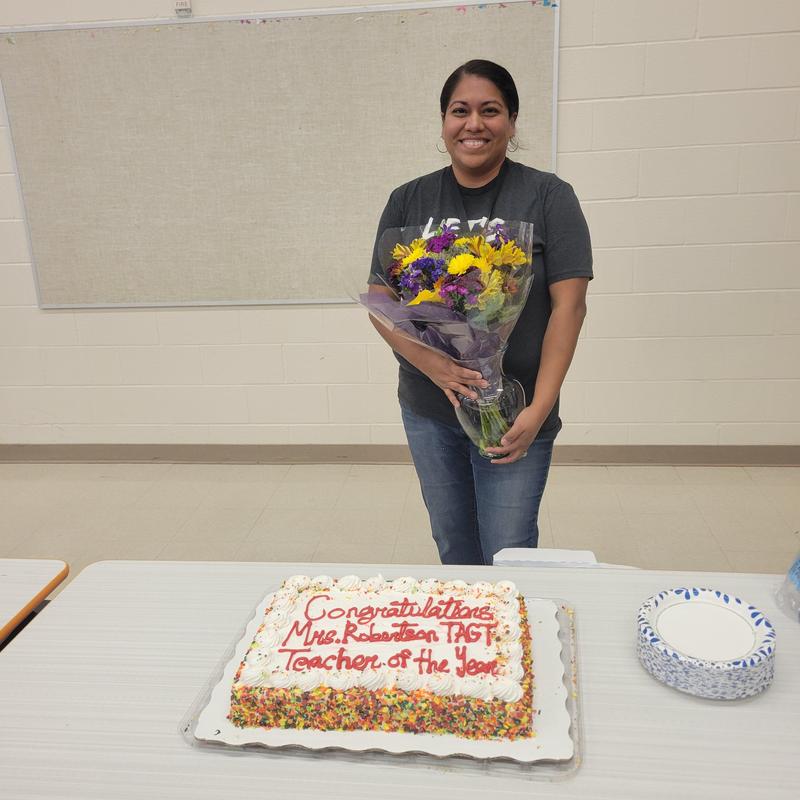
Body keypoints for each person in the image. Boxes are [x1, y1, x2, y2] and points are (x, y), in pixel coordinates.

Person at [369, 60, 593, 566]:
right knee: (454, 546)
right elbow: (381, 299)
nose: (474, 124)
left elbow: (569, 307)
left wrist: (539, 408)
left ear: (512, 122)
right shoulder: (408, 199)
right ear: (443, 122)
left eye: (490, 111)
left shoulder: (548, 196)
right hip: (430, 408)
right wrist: (433, 365)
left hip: (515, 412)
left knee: (509, 551)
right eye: (459, 111)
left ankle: (511, 640)